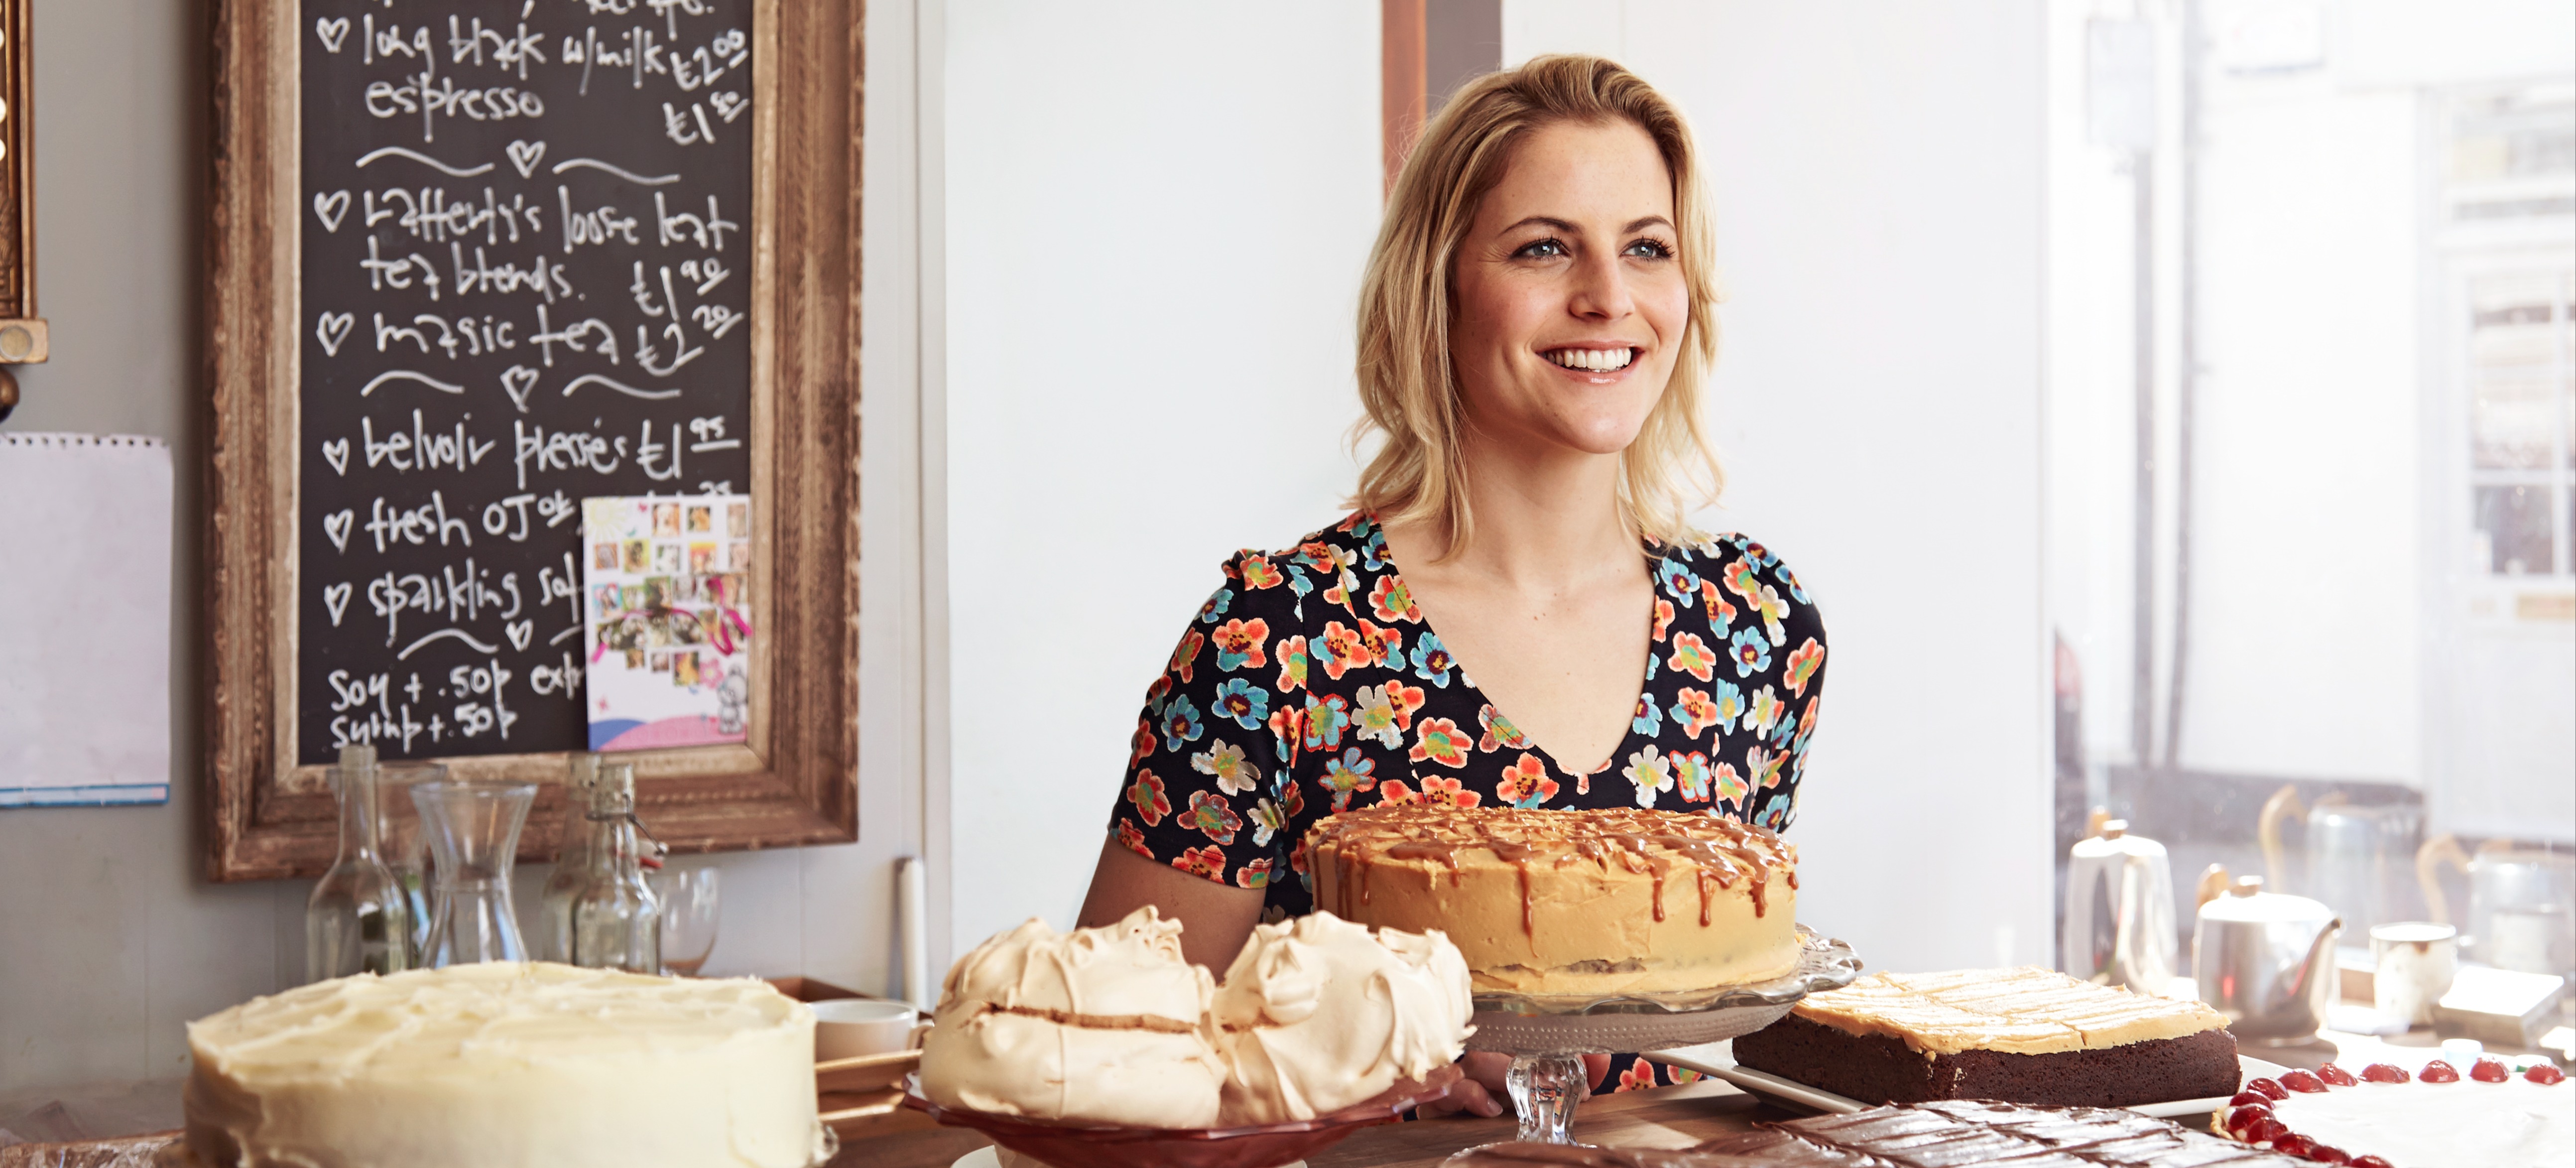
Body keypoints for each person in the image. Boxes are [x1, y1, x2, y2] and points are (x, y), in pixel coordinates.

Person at [1077, 55, 1829, 1114]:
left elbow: (1712, 1002)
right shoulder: (1279, 638)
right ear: (1439, 283)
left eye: (1646, 248)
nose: (1607, 297)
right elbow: (1103, 1058)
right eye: (1543, 248)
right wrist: (1341, 1069)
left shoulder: (1755, 625)